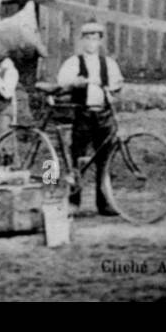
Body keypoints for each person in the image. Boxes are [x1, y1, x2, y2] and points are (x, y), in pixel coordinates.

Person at [55, 19, 123, 216]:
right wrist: (76, 83)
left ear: (100, 41)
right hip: (83, 115)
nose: (91, 43)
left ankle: (104, 203)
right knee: (77, 159)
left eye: (95, 38)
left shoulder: (108, 63)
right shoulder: (73, 62)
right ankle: (73, 202)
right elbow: (62, 82)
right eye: (87, 38)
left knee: (105, 161)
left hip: (104, 115)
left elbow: (117, 85)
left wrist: (112, 91)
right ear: (82, 41)